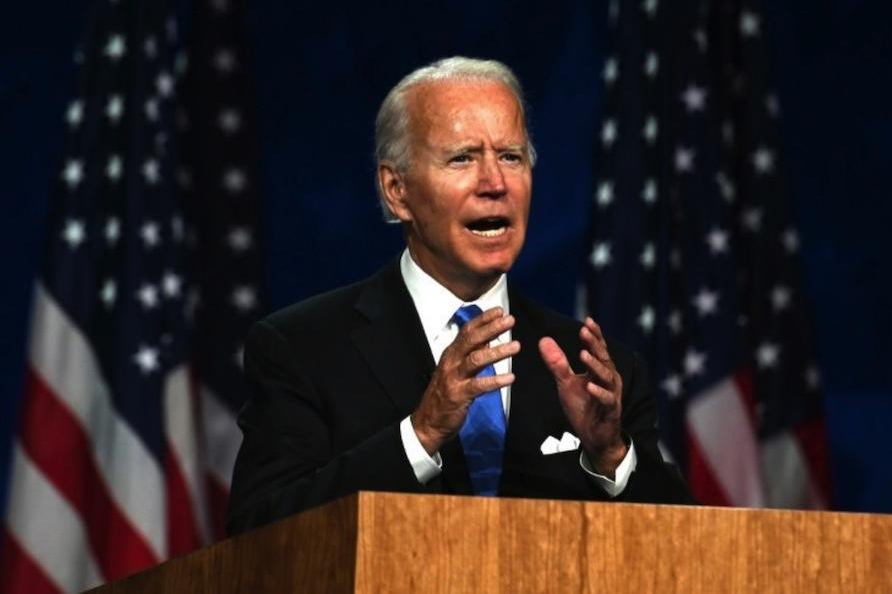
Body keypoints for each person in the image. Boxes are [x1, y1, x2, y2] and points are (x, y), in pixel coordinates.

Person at [226, 57, 693, 535]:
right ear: (397, 192)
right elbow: (260, 533)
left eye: (511, 156)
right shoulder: (303, 349)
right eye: (463, 158)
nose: (495, 184)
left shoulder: (597, 366)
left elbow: (683, 550)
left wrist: (610, 455)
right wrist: (420, 435)